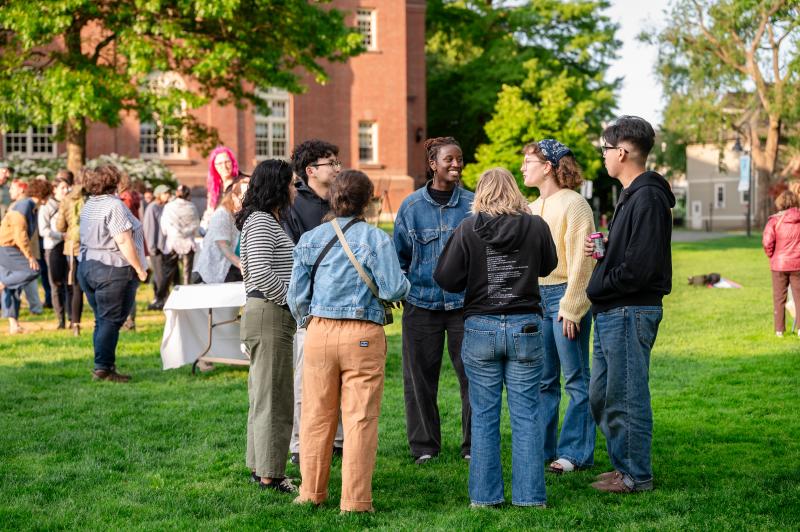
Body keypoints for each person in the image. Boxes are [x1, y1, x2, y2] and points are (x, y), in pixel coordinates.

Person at [434, 167, 557, 508]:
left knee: (485, 415)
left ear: (481, 193)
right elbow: (548, 265)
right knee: (527, 415)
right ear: (514, 190)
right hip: (526, 327)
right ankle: (530, 498)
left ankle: (486, 498)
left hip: (481, 327)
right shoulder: (535, 225)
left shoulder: (469, 228)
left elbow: (445, 277)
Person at [288, 169, 410, 513]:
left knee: (315, 415)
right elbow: (393, 289)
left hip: (319, 332)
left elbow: (296, 296)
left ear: (332, 198)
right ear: (367, 201)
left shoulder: (310, 239)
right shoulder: (375, 239)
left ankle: (311, 492)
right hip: (362, 334)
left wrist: (309, 323)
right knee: (359, 419)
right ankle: (355, 501)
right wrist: (405, 289)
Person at [585, 116, 674, 493]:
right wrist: (605, 252)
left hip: (628, 309)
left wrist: (602, 283)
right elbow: (633, 256)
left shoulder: (649, 197)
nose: (603, 157)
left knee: (626, 395)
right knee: (603, 395)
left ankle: (636, 475)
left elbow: (641, 269)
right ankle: (623, 466)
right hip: (614, 308)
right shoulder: (631, 196)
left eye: (605, 150)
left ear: (621, 151)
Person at [393, 136, 473, 464]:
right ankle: (425, 446)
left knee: (473, 377)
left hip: (464, 306)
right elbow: (398, 256)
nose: (456, 165)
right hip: (420, 305)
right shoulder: (410, 207)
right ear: (433, 164)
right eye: (449, 160)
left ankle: (473, 445)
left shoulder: (473, 205)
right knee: (419, 381)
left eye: (459, 159)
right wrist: (398, 288)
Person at [524, 140, 597, 474]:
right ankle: (543, 449)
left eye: (529, 161)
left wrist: (572, 305)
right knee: (543, 380)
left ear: (548, 166)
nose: (524, 167)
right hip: (537, 300)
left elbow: (583, 260)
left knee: (576, 379)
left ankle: (575, 453)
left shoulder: (575, 204)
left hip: (565, 297)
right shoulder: (530, 206)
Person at [236, 160, 297, 492]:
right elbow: (258, 273)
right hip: (269, 313)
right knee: (274, 398)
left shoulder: (268, 220)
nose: (294, 191)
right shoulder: (261, 222)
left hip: (270, 314)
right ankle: (271, 475)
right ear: (278, 186)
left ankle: (261, 467)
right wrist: (292, 299)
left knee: (265, 395)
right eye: (291, 184)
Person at [285, 139, 344, 466]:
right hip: (310, 309)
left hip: (345, 307)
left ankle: (336, 440)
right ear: (311, 171)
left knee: (340, 378)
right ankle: (299, 443)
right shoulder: (296, 207)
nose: (337, 168)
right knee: (306, 381)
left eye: (337, 162)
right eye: (331, 163)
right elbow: (295, 260)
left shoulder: (341, 202)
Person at [77, 166, 147, 382]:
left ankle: (104, 364)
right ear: (114, 181)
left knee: (102, 319)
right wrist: (139, 268)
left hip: (88, 266)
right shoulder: (114, 205)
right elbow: (123, 240)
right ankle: (103, 368)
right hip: (112, 268)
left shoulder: (89, 204)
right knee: (110, 320)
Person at [0, 179, 52, 334]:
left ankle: (13, 325)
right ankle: (2, 283)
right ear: (43, 194)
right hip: (7, 247)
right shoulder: (25, 206)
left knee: (14, 286)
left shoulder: (31, 207)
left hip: (8, 247)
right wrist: (29, 257)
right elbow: (20, 234)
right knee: (33, 271)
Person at [192, 180, 248, 284]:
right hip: (213, 271)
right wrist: (240, 264)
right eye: (244, 196)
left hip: (231, 269)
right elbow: (223, 245)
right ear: (234, 197)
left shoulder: (240, 215)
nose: (248, 200)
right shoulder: (222, 214)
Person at [762, 190, 800, 336]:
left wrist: (772, 255)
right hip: (798, 264)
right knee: (799, 297)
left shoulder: (774, 221)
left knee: (779, 297)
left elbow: (767, 241)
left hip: (779, 264)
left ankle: (779, 331)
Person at [55, 170, 85, 336]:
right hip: (92, 245)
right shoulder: (91, 197)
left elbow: (60, 226)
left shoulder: (67, 199)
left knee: (75, 287)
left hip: (72, 246)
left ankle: (75, 323)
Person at [39, 176, 71, 329]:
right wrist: (61, 235)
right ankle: (60, 320)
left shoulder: (71, 204)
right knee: (56, 284)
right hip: (53, 248)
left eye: (67, 187)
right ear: (54, 190)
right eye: (62, 188)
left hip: (69, 247)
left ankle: (73, 318)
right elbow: (43, 230)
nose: (66, 190)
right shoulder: (47, 206)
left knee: (70, 283)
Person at [161, 184, 200, 285]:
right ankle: (187, 294)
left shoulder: (168, 207)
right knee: (187, 273)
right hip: (188, 242)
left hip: (172, 242)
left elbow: (164, 227)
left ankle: (164, 296)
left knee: (169, 272)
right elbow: (196, 225)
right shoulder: (192, 207)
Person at [142, 184, 173, 310]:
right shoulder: (152, 208)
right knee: (160, 276)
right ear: (159, 194)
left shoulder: (165, 207)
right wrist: (152, 247)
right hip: (156, 248)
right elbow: (149, 228)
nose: (168, 195)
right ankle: (160, 300)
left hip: (166, 247)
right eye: (165, 193)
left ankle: (161, 298)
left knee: (163, 275)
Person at [118, 172, 142, 330]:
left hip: (127, 243)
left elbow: (123, 223)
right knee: (130, 285)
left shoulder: (124, 199)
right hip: (134, 242)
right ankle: (128, 319)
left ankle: (128, 320)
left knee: (127, 285)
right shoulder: (133, 197)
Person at [204, 146, 240, 228]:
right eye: (219, 163)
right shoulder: (214, 188)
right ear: (214, 166)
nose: (224, 166)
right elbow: (209, 212)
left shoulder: (241, 184)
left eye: (227, 162)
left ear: (232, 162)